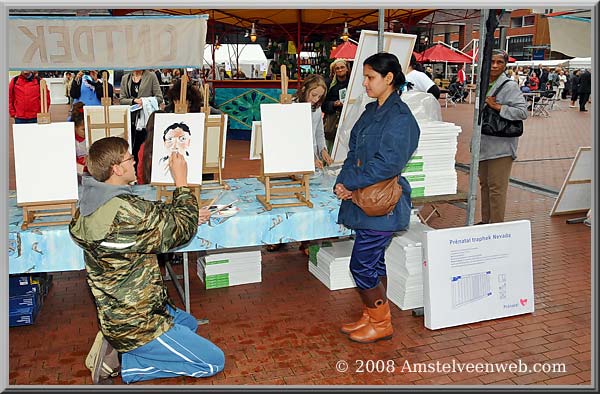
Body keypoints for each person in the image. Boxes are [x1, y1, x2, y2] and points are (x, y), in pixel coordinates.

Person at [69, 136, 224, 384]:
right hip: (138, 323)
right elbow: (179, 231)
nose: (134, 162)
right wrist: (181, 182)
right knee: (213, 361)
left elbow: (149, 214)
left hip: (127, 310)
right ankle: (130, 365)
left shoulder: (95, 201)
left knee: (189, 323)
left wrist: (191, 215)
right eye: (130, 159)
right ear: (117, 169)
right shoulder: (126, 211)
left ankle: (124, 348)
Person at [333, 52, 420, 343]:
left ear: (389, 78)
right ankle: (372, 315)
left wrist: (351, 182)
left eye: (370, 77)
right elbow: (353, 149)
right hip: (362, 199)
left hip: (382, 204)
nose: (365, 83)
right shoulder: (371, 111)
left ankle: (382, 323)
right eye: (365, 77)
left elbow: (388, 163)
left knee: (361, 264)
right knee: (373, 263)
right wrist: (342, 181)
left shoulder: (401, 119)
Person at [478, 49, 528, 225]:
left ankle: (496, 226)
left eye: (499, 62)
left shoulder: (509, 86)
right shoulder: (483, 82)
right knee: (485, 186)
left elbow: (522, 112)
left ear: (505, 65)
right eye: (492, 61)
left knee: (497, 189)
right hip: (483, 144)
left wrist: (498, 107)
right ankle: (486, 221)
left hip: (501, 147)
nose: (495, 65)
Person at [119, 69, 164, 168]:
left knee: (144, 147)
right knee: (131, 147)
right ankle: (132, 170)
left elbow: (159, 98)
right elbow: (122, 99)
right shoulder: (125, 78)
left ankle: (144, 172)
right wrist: (134, 101)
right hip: (131, 118)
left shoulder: (151, 76)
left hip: (146, 119)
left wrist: (145, 101)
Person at [321, 59, 350, 151]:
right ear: (334, 71)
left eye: (342, 67)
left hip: (349, 118)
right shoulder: (328, 84)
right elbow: (323, 104)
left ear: (347, 69)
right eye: (337, 68)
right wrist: (334, 104)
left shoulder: (352, 83)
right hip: (333, 120)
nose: (340, 70)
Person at [70, 102, 88, 177]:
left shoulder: (91, 137)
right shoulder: (70, 140)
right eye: (83, 130)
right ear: (75, 127)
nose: (86, 132)